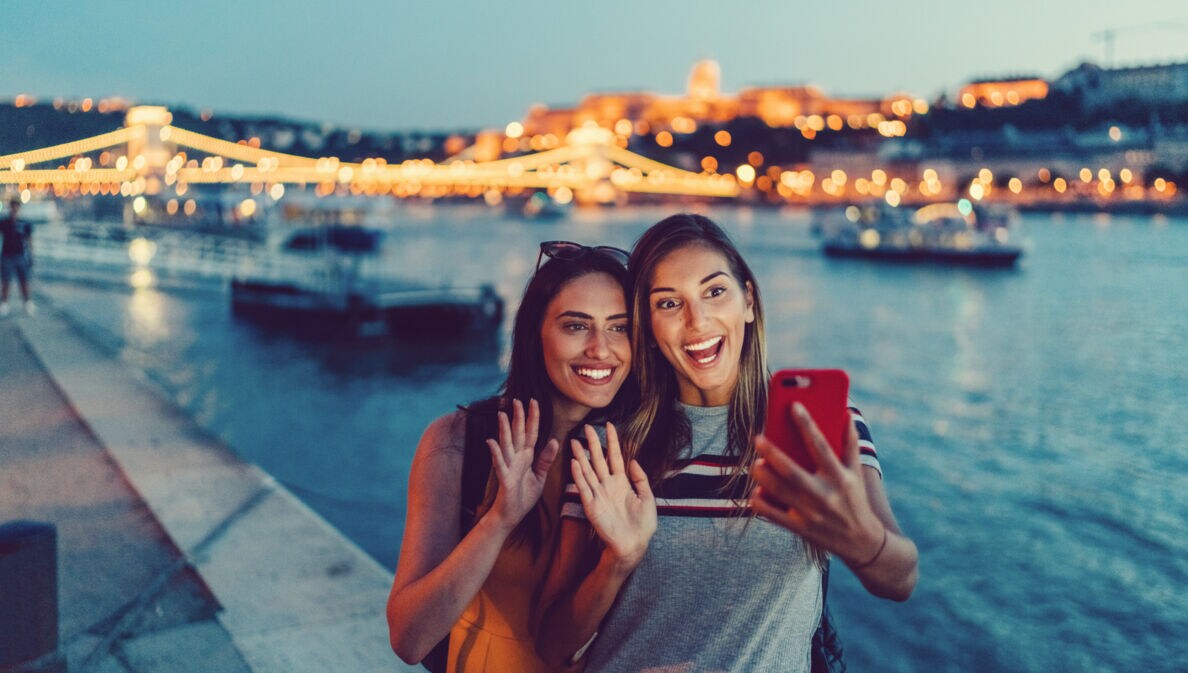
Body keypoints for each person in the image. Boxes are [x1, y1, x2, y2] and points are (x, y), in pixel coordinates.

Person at [537, 213, 918, 672]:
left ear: (749, 301)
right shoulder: (609, 447)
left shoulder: (821, 425)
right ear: (650, 330)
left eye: (715, 292)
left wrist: (862, 540)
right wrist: (617, 562)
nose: (697, 321)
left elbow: (901, 580)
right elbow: (551, 643)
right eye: (668, 304)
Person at [386, 240, 634, 673]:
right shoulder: (460, 442)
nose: (600, 349)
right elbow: (410, 638)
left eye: (619, 327)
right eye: (576, 326)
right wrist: (498, 520)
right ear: (535, 332)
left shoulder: (643, 453)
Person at [0, 197, 36, 317]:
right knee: (6, 281)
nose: (14, 208)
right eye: (13, 206)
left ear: (19, 207)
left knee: (24, 281)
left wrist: (31, 255)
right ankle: (4, 304)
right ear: (10, 207)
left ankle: (27, 303)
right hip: (7, 256)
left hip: (20, 256)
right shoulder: (4, 222)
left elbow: (29, 240)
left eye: (16, 206)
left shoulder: (25, 223)